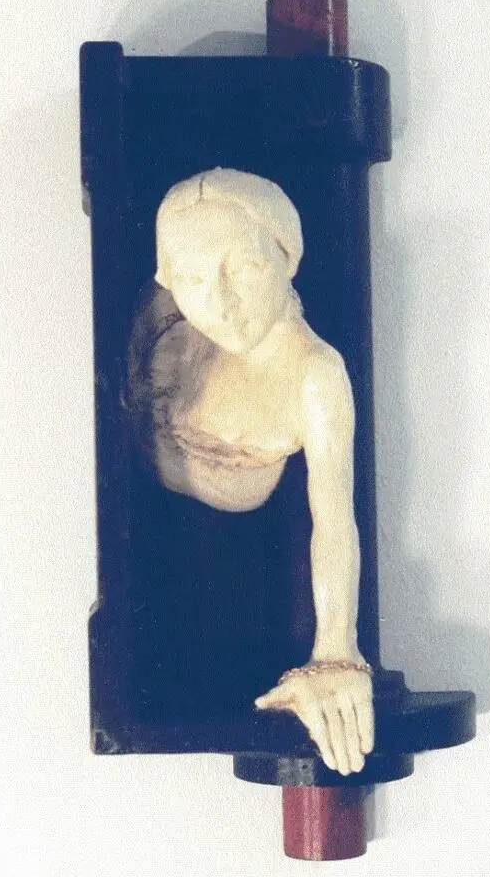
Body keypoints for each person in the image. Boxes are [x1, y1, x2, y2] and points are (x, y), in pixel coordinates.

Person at [128, 168, 373, 776]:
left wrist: (335, 653)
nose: (220, 302)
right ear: (167, 278)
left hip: (221, 551)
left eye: (244, 269)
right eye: (193, 278)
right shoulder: (167, 323)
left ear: (287, 258)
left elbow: (334, 520)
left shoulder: (314, 377)